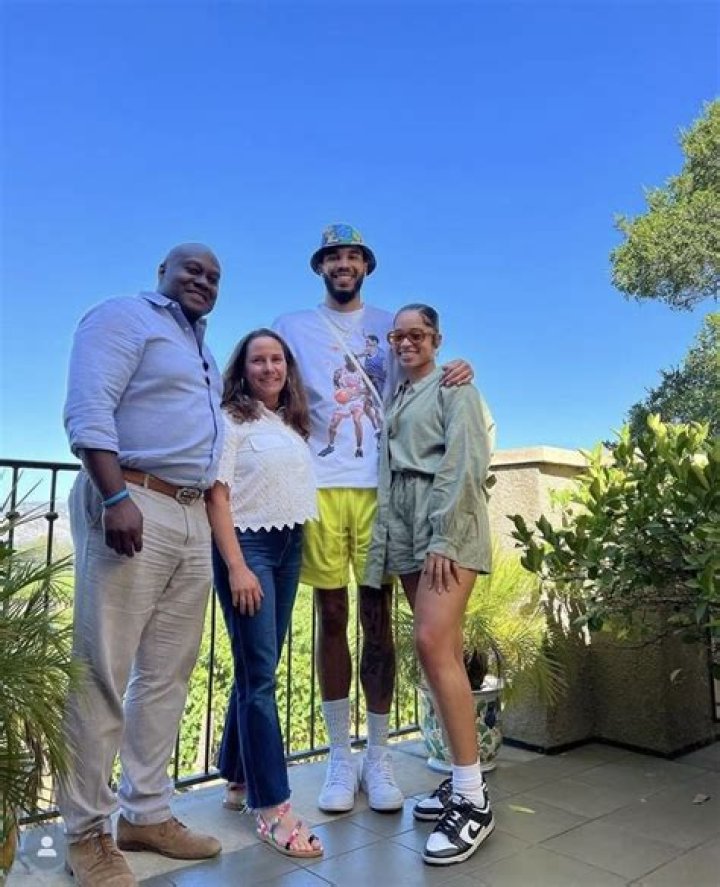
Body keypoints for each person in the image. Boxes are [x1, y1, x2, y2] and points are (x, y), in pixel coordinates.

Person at [273, 224, 472, 814]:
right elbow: (269, 385)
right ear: (320, 266)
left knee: (377, 620)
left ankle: (378, 756)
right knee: (331, 616)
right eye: (334, 256)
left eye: (353, 256)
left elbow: (425, 373)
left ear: (366, 266)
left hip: (382, 492)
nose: (344, 264)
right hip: (319, 486)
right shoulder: (292, 325)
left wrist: (459, 368)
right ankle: (341, 756)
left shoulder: (392, 325)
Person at [61, 244, 224, 887]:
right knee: (102, 671)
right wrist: (114, 498)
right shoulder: (124, 316)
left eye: (214, 277)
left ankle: (147, 813)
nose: (203, 280)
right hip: (132, 499)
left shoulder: (203, 352)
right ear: (162, 273)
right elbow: (88, 408)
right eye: (192, 269)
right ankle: (86, 835)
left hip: (190, 512)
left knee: (166, 675)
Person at [365, 303, 495, 867]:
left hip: (447, 522)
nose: (405, 342)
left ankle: (473, 800)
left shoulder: (455, 388)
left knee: (431, 642)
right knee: (439, 649)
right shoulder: (397, 395)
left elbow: (466, 462)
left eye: (417, 333)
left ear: (437, 339)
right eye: (397, 335)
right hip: (405, 524)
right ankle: (461, 778)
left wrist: (443, 536)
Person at [205, 328, 323, 859]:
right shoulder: (230, 419)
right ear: (243, 367)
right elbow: (217, 495)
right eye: (259, 360)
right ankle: (272, 807)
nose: (269, 368)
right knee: (260, 679)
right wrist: (236, 567)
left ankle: (236, 776)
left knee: (261, 666)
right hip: (247, 546)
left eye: (277, 359)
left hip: (289, 544)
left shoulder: (289, 422)